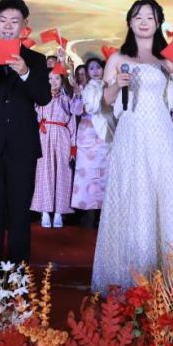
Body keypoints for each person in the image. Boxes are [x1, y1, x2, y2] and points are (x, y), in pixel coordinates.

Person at [91, 0, 173, 292]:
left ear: (158, 23)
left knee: (167, 195)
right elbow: (105, 103)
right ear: (129, 21)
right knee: (134, 194)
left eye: (149, 17)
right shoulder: (117, 58)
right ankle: (132, 276)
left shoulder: (168, 60)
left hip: (162, 134)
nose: (143, 22)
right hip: (131, 134)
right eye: (138, 16)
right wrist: (117, 84)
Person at [0, 0, 51, 271]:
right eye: (3, 21)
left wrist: (25, 73)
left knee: (19, 211)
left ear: (25, 25)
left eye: (14, 21)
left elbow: (43, 97)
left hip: (22, 147)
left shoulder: (36, 60)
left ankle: (19, 273)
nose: (8, 26)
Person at [31, 67, 77, 228]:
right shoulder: (39, 99)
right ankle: (44, 211)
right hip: (44, 136)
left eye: (57, 78)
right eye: (50, 79)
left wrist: (73, 148)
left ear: (62, 80)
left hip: (62, 136)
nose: (53, 82)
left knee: (62, 173)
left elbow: (72, 124)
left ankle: (59, 212)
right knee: (44, 173)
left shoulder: (67, 99)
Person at [70, 57, 113, 228]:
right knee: (87, 174)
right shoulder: (83, 88)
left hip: (105, 132)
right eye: (91, 68)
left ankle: (105, 215)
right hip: (87, 134)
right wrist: (78, 94)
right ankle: (88, 214)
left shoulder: (110, 85)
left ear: (104, 69)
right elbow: (76, 110)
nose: (95, 71)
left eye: (98, 67)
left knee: (105, 173)